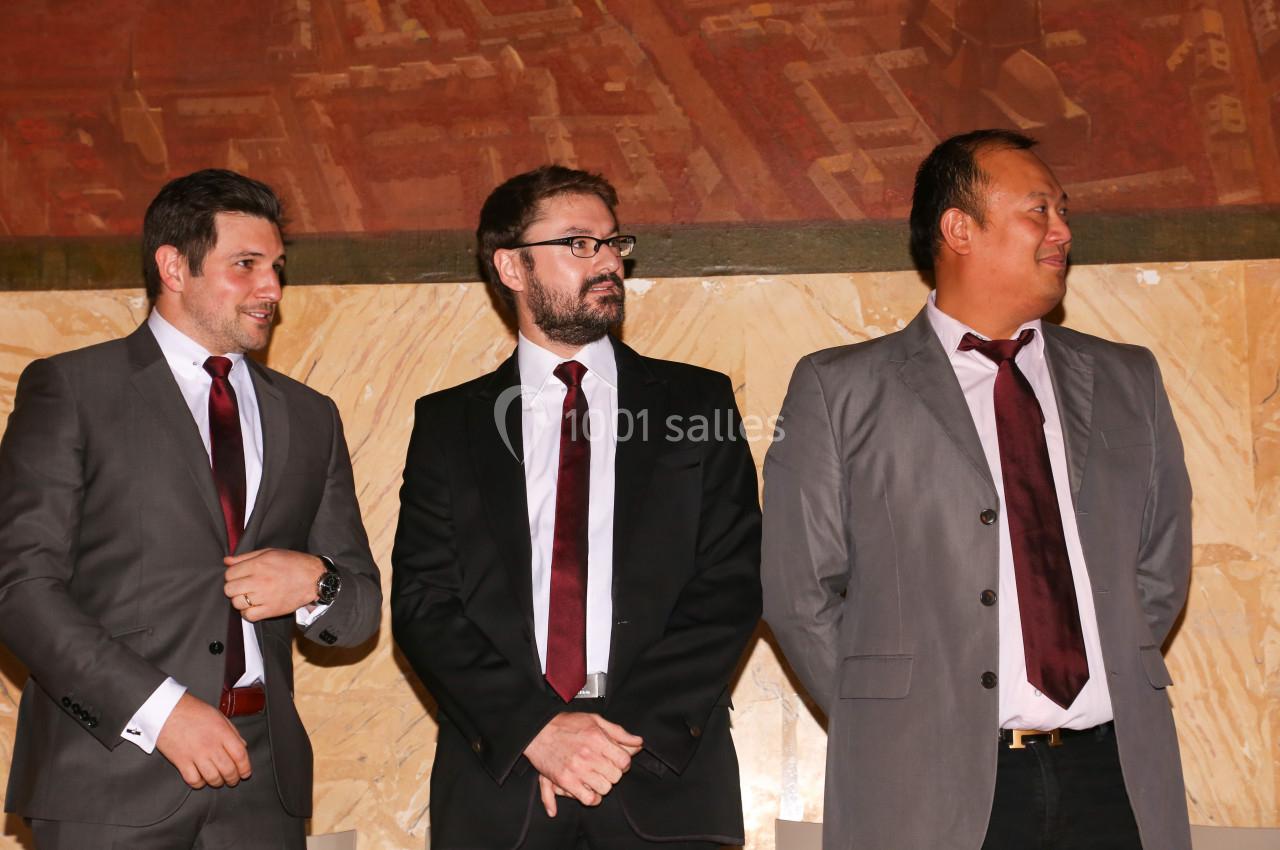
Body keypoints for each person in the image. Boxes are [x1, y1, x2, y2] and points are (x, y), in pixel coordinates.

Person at [762, 129, 1193, 850]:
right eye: (1039, 211)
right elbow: (797, 589)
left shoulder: (1128, 378)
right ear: (959, 228)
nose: (1063, 231)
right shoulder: (841, 389)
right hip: (926, 788)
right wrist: (898, 718)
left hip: (1112, 776)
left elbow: (1159, 565)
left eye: (1063, 210)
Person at [0, 169, 382, 849]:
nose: (272, 289)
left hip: (264, 785)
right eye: (246, 265)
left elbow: (361, 607)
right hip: (109, 773)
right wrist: (164, 712)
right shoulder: (73, 389)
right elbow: (20, 590)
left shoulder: (310, 415)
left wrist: (315, 583)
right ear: (173, 266)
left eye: (277, 268)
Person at [392, 165, 761, 850]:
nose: (608, 261)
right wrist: (537, 730)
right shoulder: (450, 424)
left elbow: (731, 583)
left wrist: (605, 744)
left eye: (613, 243)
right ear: (510, 266)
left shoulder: (697, 404)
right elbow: (425, 604)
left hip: (663, 780)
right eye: (579, 243)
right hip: (500, 787)